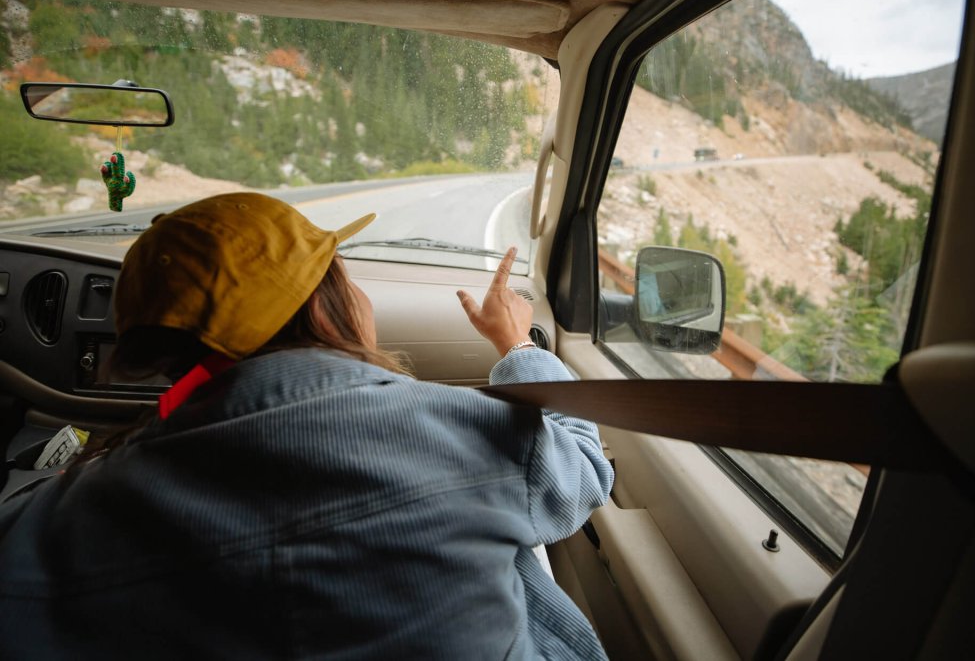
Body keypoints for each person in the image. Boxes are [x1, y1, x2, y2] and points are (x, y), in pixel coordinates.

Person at [0, 192, 613, 660]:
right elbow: (584, 468)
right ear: (325, 306)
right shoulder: (460, 430)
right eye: (342, 273)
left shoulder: (72, 515)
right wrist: (515, 343)